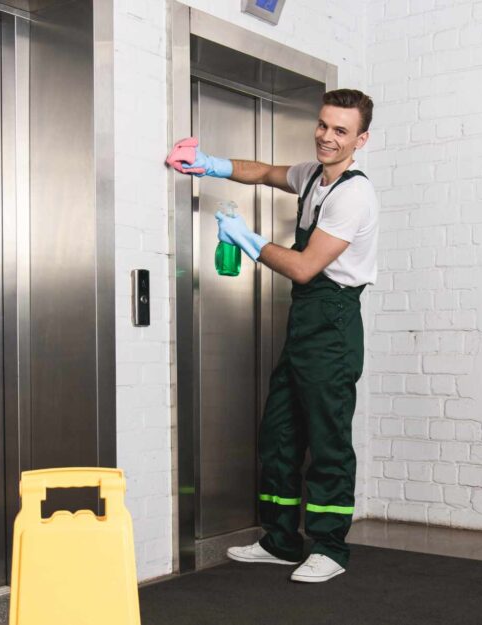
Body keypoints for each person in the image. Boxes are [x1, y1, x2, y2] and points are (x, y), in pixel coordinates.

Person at [165, 88, 378, 583]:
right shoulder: (313, 176)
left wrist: (249, 239)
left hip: (333, 324)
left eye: (341, 130)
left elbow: (304, 268)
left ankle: (330, 547)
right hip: (305, 324)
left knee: (327, 440)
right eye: (323, 124)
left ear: (360, 139)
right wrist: (211, 164)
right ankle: (280, 541)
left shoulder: (353, 195)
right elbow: (262, 172)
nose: (327, 136)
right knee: (280, 433)